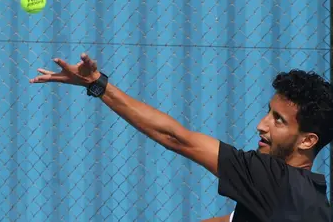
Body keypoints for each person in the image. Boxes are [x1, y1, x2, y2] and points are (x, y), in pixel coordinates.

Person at [29, 53, 333, 221]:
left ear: (308, 140)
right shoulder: (315, 202)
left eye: (277, 121)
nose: (261, 125)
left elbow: (176, 137)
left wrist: (98, 84)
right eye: (268, 112)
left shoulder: (272, 178)